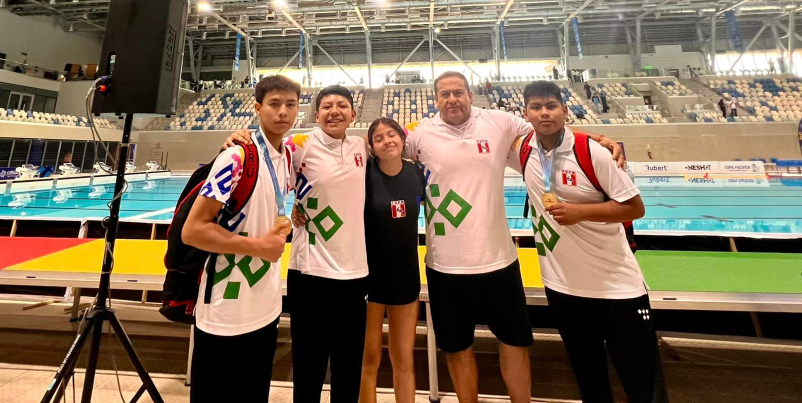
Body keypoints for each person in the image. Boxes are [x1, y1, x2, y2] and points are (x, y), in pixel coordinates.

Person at [402, 72, 625, 403]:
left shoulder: (498, 122)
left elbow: (550, 131)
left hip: (500, 262)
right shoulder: (419, 135)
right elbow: (383, 153)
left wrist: (596, 139)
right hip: (445, 266)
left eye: (458, 92)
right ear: (435, 100)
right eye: (445, 94)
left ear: (470, 95)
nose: (452, 99)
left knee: (515, 342)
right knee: (457, 348)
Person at [507, 81, 667, 403]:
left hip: (617, 288)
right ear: (526, 114)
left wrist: (580, 212)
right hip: (564, 288)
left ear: (565, 111)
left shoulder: (591, 152)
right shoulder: (523, 150)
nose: (544, 112)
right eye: (536, 107)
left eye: (551, 106)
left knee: (643, 386)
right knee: (589, 382)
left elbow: (635, 207)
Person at [225, 85, 369, 402]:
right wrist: (239, 139)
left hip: (355, 273)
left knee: (349, 367)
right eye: (327, 106)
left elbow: (403, 137)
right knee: (308, 365)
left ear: (353, 114)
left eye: (342, 105)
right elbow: (265, 162)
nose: (334, 111)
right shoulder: (299, 145)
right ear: (316, 115)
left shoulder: (361, 146)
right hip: (310, 271)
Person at [182, 75, 298, 402]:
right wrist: (258, 246)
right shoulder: (236, 157)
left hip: (265, 304)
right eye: (274, 104)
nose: (282, 112)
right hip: (224, 309)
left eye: (290, 105)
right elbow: (194, 230)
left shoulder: (288, 157)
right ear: (258, 108)